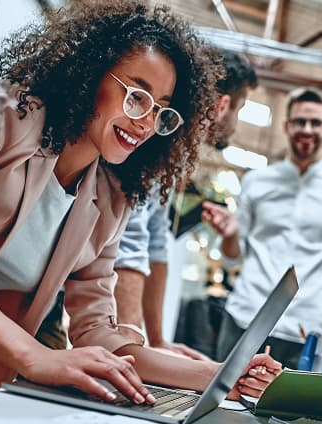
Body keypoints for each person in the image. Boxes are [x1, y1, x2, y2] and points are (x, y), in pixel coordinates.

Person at [0, 1, 279, 419]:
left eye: (162, 111)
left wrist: (220, 375)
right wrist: (37, 357)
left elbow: (98, 331)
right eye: (137, 96)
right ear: (91, 73)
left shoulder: (110, 197)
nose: (146, 122)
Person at [201, 88, 322, 369]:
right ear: (286, 126)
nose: (307, 129)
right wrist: (230, 235)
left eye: (315, 123)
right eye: (299, 121)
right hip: (247, 316)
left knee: (293, 400)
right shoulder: (256, 182)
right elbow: (233, 257)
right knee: (223, 393)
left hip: (306, 327)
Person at [111, 50, 258, 360]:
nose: (235, 123)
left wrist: (157, 341)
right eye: (240, 109)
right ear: (222, 106)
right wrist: (133, 348)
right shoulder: (157, 140)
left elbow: (156, 240)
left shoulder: (177, 153)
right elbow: (131, 240)